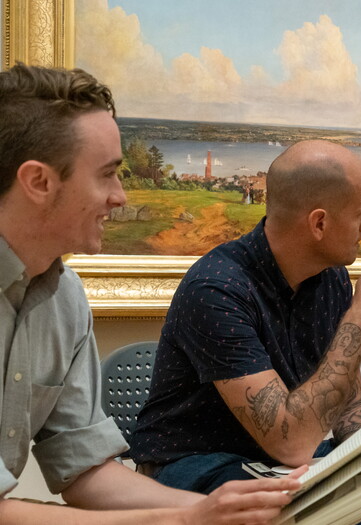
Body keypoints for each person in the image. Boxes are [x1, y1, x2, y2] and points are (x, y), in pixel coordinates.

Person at [130, 139, 361, 524]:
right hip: (198, 467)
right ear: (319, 223)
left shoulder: (330, 278)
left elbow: (345, 400)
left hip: (287, 459)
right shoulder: (217, 289)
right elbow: (288, 440)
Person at [0, 63, 302, 524]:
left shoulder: (63, 298)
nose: (120, 196)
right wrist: (183, 520)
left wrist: (228, 510)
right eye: (106, 175)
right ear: (38, 182)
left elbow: (86, 471)